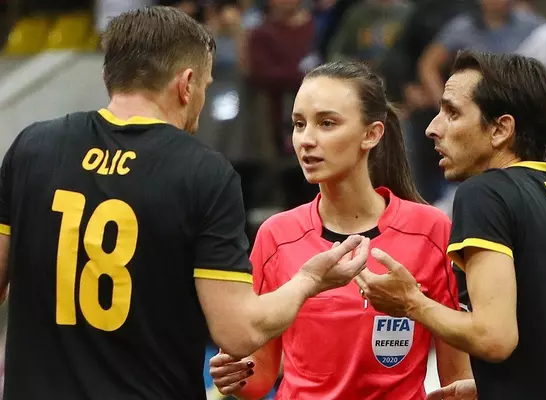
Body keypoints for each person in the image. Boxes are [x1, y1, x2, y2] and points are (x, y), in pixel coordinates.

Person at [0, 6, 371, 400]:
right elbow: (238, 332)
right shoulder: (203, 173)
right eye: (206, 85)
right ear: (187, 83)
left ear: (108, 75)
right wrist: (309, 281)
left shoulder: (33, 147)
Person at [208, 60, 472, 400]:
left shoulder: (432, 230)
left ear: (371, 134)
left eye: (327, 123)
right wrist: (234, 372)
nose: (306, 140)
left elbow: (456, 377)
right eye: (299, 124)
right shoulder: (275, 235)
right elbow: (259, 378)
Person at [355, 50, 546, 400]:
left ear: (500, 129)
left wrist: (410, 302)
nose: (432, 128)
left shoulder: (486, 192)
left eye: (452, 112)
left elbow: (494, 337)